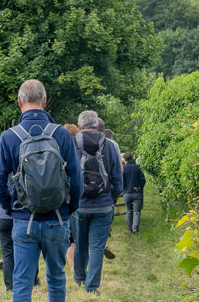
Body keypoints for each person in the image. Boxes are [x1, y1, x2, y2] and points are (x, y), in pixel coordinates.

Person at [0, 79, 83, 302]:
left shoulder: (9, 136)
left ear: (19, 102)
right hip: (57, 218)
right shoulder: (61, 134)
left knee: (22, 281)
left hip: (24, 220)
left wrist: (11, 207)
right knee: (56, 278)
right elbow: (76, 179)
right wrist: (69, 208)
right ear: (45, 100)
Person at [73, 110, 123, 294]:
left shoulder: (73, 145)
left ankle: (79, 279)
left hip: (79, 206)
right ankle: (92, 287)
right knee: (97, 248)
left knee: (79, 245)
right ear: (97, 125)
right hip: (103, 205)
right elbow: (118, 177)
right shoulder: (108, 146)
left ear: (79, 127)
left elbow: (65, 174)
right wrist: (112, 199)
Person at [0, 156, 40, 291]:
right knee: (30, 249)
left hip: (4, 215)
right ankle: (33, 280)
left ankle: (10, 286)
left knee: (7, 253)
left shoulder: (1, 170)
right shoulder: (28, 167)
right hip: (24, 215)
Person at [63, 124, 79, 272]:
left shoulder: (59, 148)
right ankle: (80, 269)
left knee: (70, 241)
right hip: (81, 200)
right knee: (79, 238)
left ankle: (74, 269)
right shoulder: (80, 148)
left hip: (63, 202)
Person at [122, 152, 146, 233]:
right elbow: (143, 180)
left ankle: (129, 228)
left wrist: (123, 189)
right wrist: (140, 187)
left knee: (129, 211)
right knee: (136, 212)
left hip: (127, 193)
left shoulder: (123, 168)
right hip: (137, 192)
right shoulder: (137, 167)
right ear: (132, 158)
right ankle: (135, 228)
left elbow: (121, 181)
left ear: (124, 159)